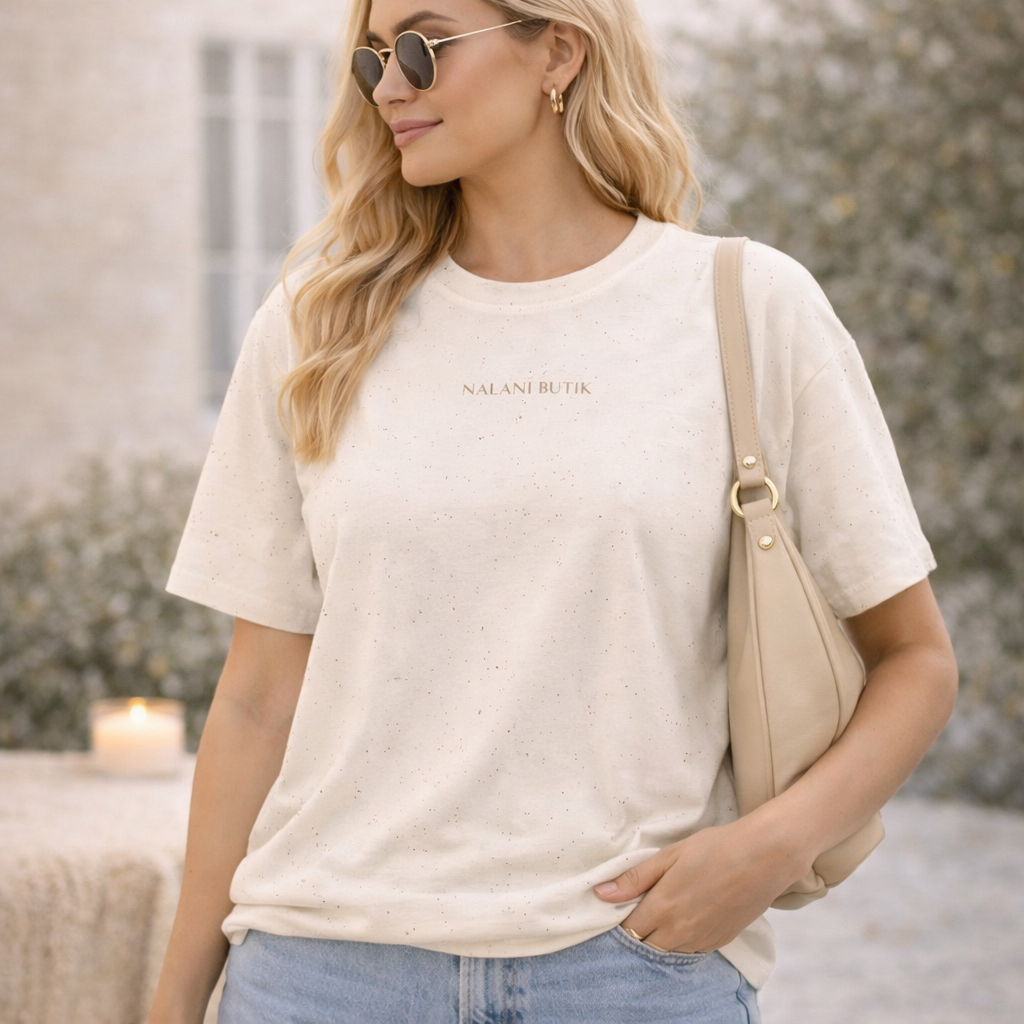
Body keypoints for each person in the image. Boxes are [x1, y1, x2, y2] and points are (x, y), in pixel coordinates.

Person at [147, 1, 958, 1021]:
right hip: (325, 975)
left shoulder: (745, 306)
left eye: (421, 48)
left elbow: (915, 661)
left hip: (630, 974)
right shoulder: (318, 327)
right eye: (370, 59)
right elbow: (259, 699)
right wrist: (173, 1004)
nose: (389, 86)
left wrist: (768, 849)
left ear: (559, 52)